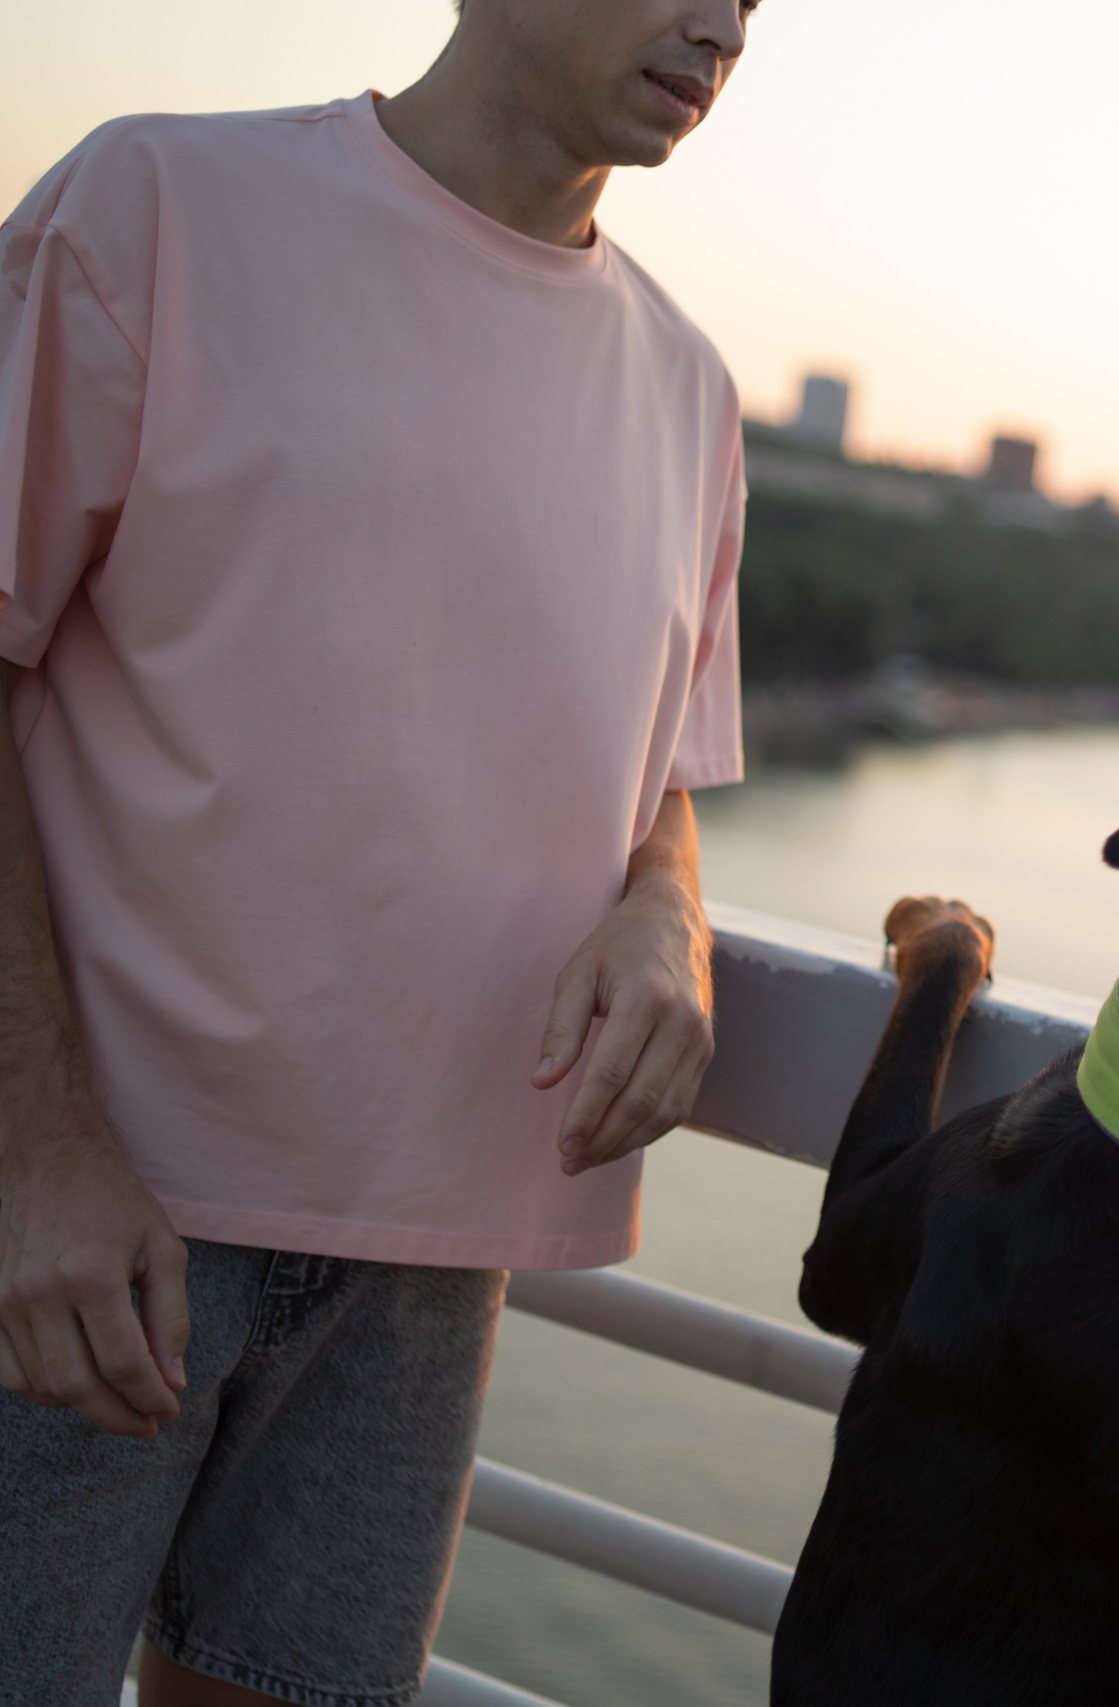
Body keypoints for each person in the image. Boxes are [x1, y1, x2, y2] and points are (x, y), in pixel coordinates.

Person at [0, 4, 759, 1702]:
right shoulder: (157, 206)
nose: (724, 25)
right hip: (84, 1214)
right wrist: (31, 1146)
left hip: (435, 1263)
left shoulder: (691, 388)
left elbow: (661, 777)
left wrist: (669, 915)